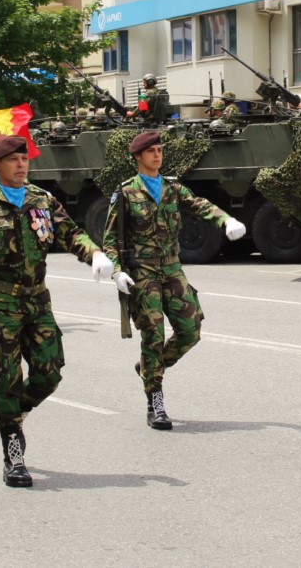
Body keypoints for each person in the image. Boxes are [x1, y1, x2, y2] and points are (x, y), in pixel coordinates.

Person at [0, 135, 114, 487]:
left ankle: (15, 414)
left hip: (38, 302)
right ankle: (12, 450)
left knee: (49, 373)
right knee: (7, 380)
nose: (22, 165)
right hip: (1, 306)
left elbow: (70, 233)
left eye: (25, 159)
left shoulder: (42, 200)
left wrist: (95, 254)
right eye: (13, 160)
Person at [103, 131, 246, 430]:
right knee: (152, 336)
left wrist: (226, 220)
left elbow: (200, 205)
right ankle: (155, 400)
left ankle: (148, 368)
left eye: (159, 150)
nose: (157, 155)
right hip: (143, 273)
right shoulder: (126, 192)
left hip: (172, 269)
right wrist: (117, 271)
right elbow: (111, 238)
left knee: (190, 330)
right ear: (138, 157)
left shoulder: (172, 188)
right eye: (151, 151)